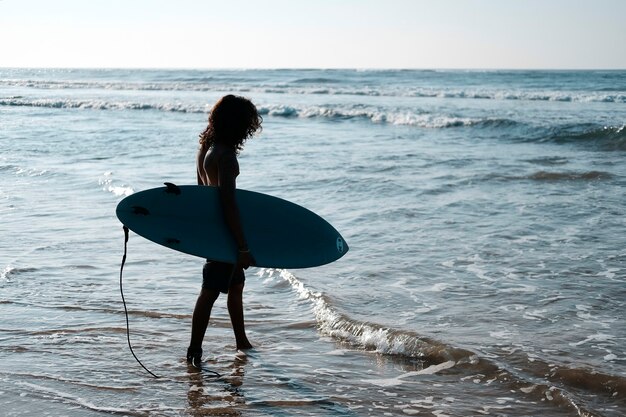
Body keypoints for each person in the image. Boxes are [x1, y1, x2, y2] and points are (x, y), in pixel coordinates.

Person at [187, 95, 262, 368]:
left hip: (214, 231)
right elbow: (228, 203)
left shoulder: (206, 149)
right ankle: (194, 350)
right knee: (209, 291)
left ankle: (241, 341)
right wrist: (242, 246)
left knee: (236, 285)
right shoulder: (227, 157)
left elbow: (201, 193)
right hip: (225, 235)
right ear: (240, 125)